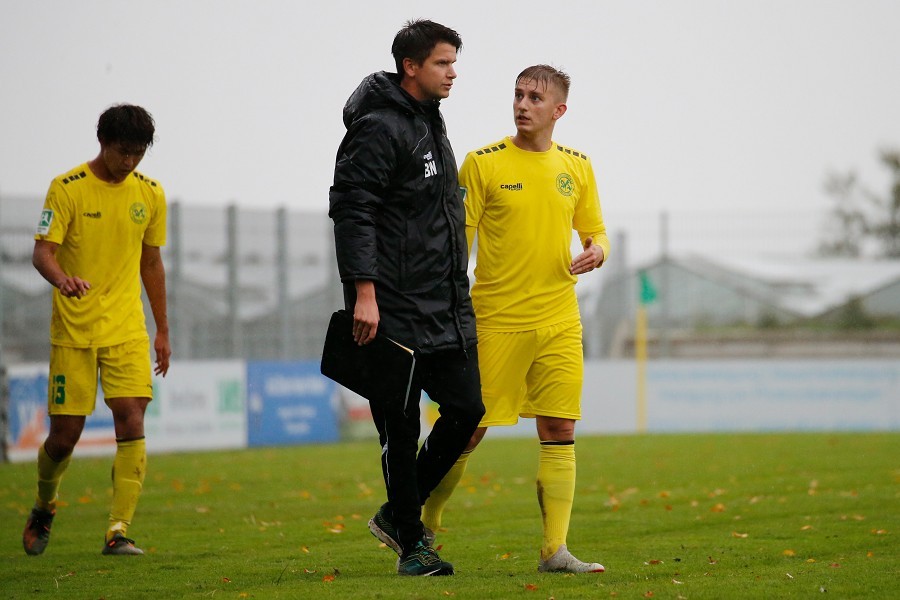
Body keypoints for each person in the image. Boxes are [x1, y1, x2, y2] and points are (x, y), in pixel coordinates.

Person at [421, 65, 610, 573]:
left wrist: (598, 250)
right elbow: (455, 245)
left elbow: (595, 230)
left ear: (559, 110)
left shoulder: (579, 166)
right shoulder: (482, 164)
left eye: (535, 97)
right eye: (519, 94)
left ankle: (555, 550)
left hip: (559, 319)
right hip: (495, 321)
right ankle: (425, 521)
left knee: (558, 426)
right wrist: (444, 310)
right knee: (467, 430)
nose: (522, 104)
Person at [328, 19, 484, 577]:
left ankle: (399, 514)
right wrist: (364, 294)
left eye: (454, 62)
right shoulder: (377, 127)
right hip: (390, 306)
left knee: (468, 408)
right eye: (443, 63)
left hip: (442, 303)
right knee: (400, 426)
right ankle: (413, 546)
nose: (453, 72)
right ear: (410, 67)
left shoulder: (430, 121)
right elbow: (353, 210)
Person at [23, 104, 170, 557]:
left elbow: (151, 263)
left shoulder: (150, 193)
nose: (129, 162)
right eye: (123, 152)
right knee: (65, 435)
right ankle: (45, 505)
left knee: (131, 415)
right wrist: (61, 278)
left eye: (138, 154)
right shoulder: (67, 189)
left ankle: (118, 531)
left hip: (127, 327)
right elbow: (43, 252)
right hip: (75, 329)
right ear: (103, 143)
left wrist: (163, 329)